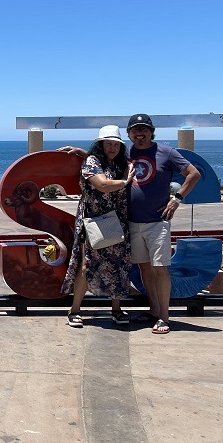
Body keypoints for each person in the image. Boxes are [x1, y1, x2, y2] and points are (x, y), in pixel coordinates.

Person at [125, 113, 201, 334]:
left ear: (151, 132)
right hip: (132, 221)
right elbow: (102, 160)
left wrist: (177, 199)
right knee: (145, 268)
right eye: (135, 130)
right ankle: (154, 310)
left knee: (160, 269)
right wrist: (81, 152)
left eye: (144, 129)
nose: (140, 134)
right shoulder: (125, 153)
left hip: (157, 222)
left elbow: (193, 173)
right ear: (129, 133)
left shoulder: (165, 152)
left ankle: (165, 317)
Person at [57, 124, 136, 328]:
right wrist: (125, 182)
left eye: (115, 144)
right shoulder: (93, 162)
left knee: (117, 265)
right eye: (107, 144)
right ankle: (74, 310)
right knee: (86, 264)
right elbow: (102, 184)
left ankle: (116, 309)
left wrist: (81, 153)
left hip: (116, 221)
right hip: (93, 220)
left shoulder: (118, 163)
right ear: (100, 145)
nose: (112, 148)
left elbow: (108, 171)